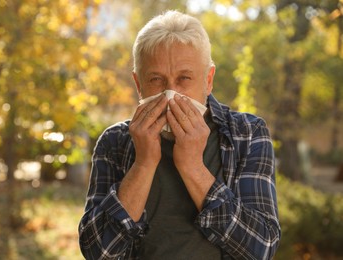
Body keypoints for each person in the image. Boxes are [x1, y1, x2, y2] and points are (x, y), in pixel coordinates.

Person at [79, 10, 281, 260]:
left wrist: (193, 166)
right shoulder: (114, 142)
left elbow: (261, 248)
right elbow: (97, 253)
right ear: (138, 84)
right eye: (156, 79)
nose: (170, 94)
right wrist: (143, 164)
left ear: (208, 80)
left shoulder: (248, 133)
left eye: (184, 78)